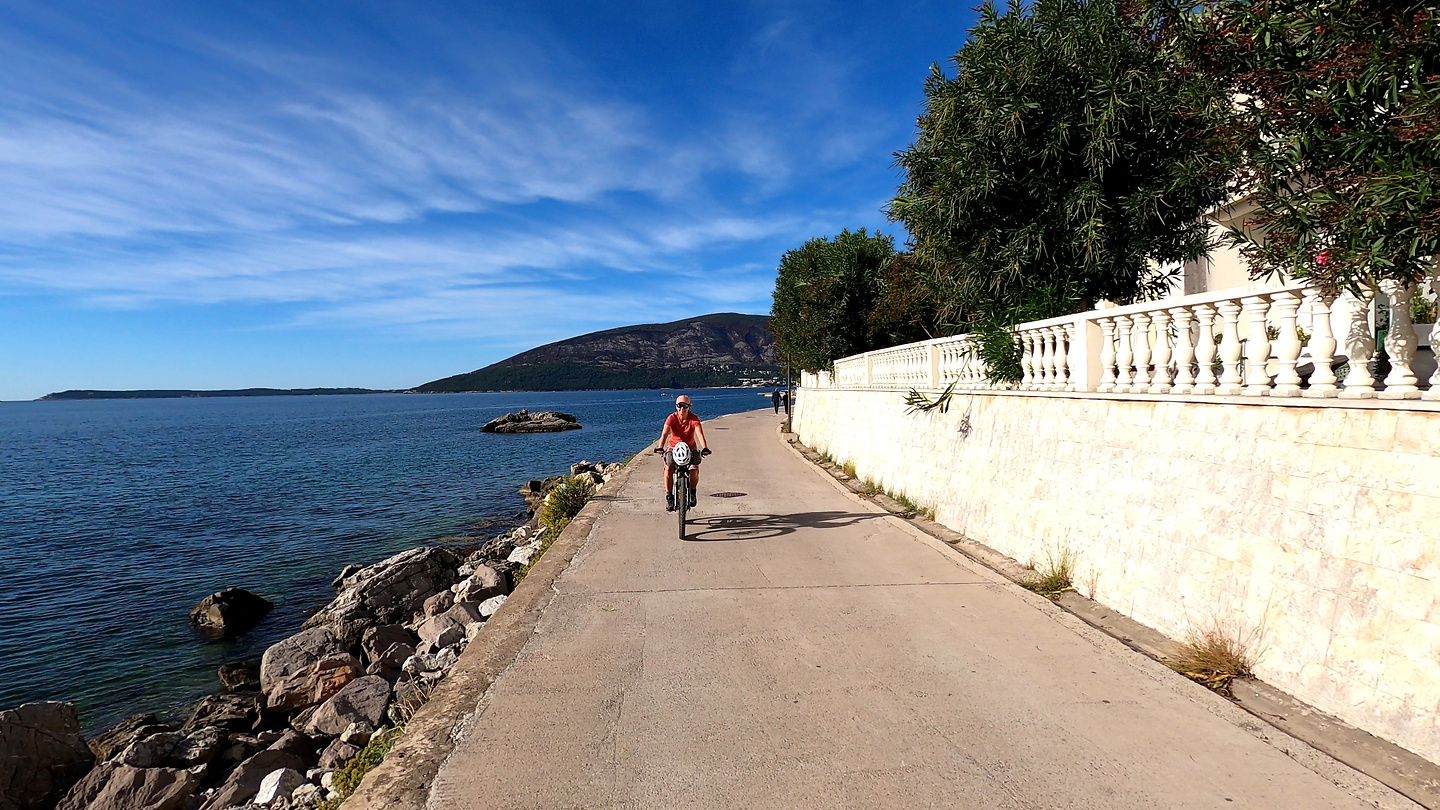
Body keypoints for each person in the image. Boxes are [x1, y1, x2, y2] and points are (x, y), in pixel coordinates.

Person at [656, 394, 710, 511]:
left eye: (685, 406)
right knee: (668, 467)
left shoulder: (693, 418)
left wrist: (704, 447)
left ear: (689, 407)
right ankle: (669, 496)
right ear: (676, 406)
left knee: (694, 468)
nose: (682, 409)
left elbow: (700, 434)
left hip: (690, 448)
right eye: (679, 406)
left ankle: (692, 492)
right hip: (673, 448)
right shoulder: (672, 418)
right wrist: (660, 447)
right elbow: (664, 434)